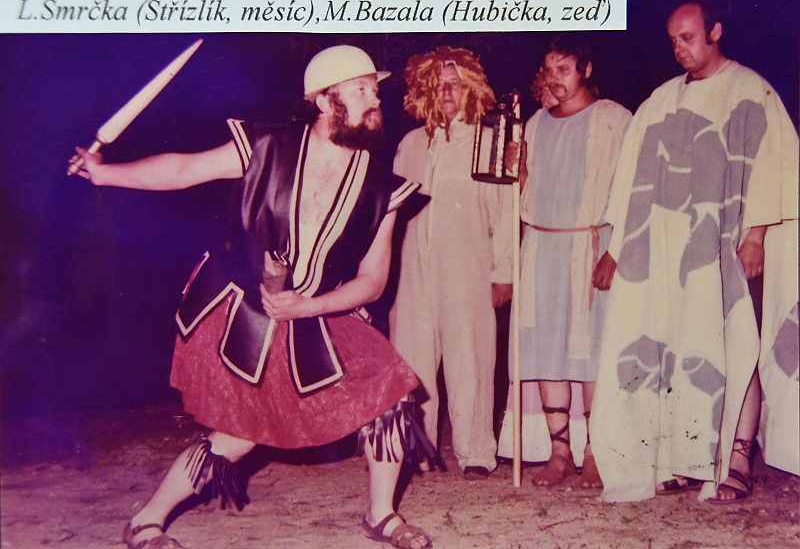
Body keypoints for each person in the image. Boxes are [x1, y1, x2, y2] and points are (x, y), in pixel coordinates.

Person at [70, 45, 434, 549]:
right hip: (242, 309)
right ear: (324, 100)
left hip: (317, 308)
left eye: (374, 90)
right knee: (239, 435)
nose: (375, 99)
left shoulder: (381, 188)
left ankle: (381, 514)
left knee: (389, 392)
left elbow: (372, 281)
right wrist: (107, 172)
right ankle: (146, 521)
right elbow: (181, 170)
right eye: (361, 89)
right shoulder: (265, 146)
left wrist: (309, 305)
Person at [591, 0, 798, 502]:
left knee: (734, 340)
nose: (679, 48)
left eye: (687, 37)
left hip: (726, 244)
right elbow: (631, 178)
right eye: (673, 40)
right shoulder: (661, 100)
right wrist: (617, 249)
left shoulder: (750, 89)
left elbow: (774, 164)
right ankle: (687, 459)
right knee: (680, 344)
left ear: (715, 31)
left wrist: (754, 236)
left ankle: (738, 459)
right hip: (666, 251)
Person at [510, 35, 630, 489]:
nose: (554, 79)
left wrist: (615, 252)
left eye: (564, 69)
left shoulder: (613, 118)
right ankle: (559, 452)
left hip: (591, 246)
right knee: (547, 349)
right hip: (542, 247)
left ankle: (597, 453)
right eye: (549, 69)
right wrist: (517, 168)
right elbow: (525, 191)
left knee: (591, 350)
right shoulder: (535, 124)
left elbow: (632, 189)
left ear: (586, 69)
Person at [389, 46, 513, 480]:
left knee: (470, 356)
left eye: (455, 84)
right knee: (412, 357)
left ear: (470, 89)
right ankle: (416, 449)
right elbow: (390, 214)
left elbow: (504, 211)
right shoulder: (410, 145)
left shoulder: (488, 142)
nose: (446, 92)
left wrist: (504, 272)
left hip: (467, 265)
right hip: (411, 268)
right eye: (438, 85)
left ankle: (476, 450)